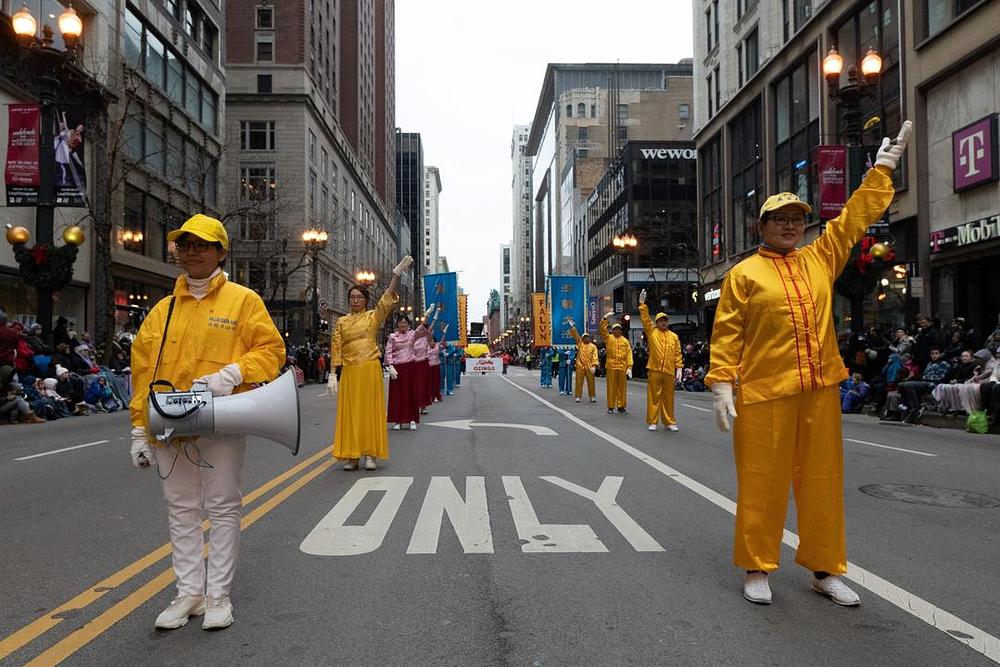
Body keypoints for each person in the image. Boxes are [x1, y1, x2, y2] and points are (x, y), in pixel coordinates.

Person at [707, 121, 911, 607]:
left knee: (822, 483)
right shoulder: (743, 275)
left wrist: (881, 171)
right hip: (764, 392)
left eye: (797, 218)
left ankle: (825, 569)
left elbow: (853, 220)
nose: (790, 225)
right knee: (762, 483)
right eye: (780, 219)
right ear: (762, 226)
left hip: (819, 388)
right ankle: (757, 567)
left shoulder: (819, 257)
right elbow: (728, 332)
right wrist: (721, 383)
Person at [127, 214, 285, 631]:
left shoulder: (243, 300)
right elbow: (143, 372)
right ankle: (189, 593)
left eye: (201, 245)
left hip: (221, 417)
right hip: (169, 420)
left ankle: (218, 595)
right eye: (185, 245)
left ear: (221, 252)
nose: (191, 252)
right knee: (180, 508)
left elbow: (272, 350)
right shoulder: (162, 310)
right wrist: (139, 428)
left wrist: (231, 374)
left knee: (223, 506)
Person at [328, 256, 413, 471]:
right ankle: (352, 455)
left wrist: (395, 275)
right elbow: (336, 347)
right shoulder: (341, 322)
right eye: (352, 297)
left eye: (359, 297)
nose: (355, 301)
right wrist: (332, 373)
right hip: (349, 371)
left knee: (369, 412)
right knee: (351, 413)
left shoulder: (372, 317)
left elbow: (385, 300)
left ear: (365, 300)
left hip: (369, 368)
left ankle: (370, 453)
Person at [638, 289, 683, 432]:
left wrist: (679, 367)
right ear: (656, 322)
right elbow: (646, 320)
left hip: (669, 370)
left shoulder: (674, 336)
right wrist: (642, 305)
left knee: (668, 398)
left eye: (665, 320)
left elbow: (677, 353)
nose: (663, 323)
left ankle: (669, 422)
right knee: (653, 397)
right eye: (661, 321)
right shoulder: (652, 332)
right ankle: (652, 421)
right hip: (655, 369)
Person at [599, 312, 633, 414]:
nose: (617, 331)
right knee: (611, 387)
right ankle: (610, 406)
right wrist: (605, 319)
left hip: (622, 367)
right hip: (611, 366)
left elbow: (629, 354)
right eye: (615, 329)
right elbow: (602, 330)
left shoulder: (625, 341)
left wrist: (629, 367)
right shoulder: (608, 338)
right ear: (612, 330)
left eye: (618, 329)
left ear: (621, 331)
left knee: (622, 388)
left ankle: (621, 406)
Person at [568, 323, 599, 403]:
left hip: (589, 366)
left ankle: (592, 396)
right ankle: (578, 396)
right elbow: (576, 335)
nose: (586, 339)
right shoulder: (580, 344)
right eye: (584, 337)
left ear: (589, 338)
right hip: (580, 366)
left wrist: (594, 365)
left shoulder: (593, 347)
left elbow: (595, 356)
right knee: (579, 382)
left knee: (591, 382)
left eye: (587, 337)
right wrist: (572, 327)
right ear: (582, 338)